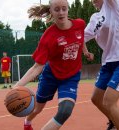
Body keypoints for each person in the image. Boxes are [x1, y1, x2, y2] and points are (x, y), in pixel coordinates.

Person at [13, 0, 93, 130]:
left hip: (71, 76)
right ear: (51, 11)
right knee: (38, 108)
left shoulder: (79, 24)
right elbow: (37, 67)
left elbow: (81, 38)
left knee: (65, 110)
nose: (61, 12)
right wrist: (17, 86)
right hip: (51, 75)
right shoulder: (48, 37)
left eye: (64, 9)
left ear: (68, 9)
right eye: (56, 9)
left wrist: (85, 51)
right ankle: (27, 121)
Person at [84, 0, 119, 130]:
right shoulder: (95, 18)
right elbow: (80, 37)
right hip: (108, 63)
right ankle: (113, 121)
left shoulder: (113, 5)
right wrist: (86, 51)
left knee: (109, 101)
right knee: (96, 99)